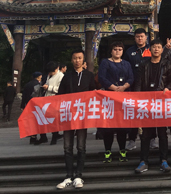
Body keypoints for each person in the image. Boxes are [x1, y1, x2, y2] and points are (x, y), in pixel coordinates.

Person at [56, 50, 97, 190]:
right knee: (67, 147)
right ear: (71, 60)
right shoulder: (66, 76)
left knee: (81, 146)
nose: (77, 60)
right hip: (68, 115)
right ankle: (68, 175)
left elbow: (93, 93)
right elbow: (60, 95)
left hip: (82, 116)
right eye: (74, 58)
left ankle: (78, 175)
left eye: (79, 58)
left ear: (83, 60)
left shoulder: (89, 75)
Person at [134, 39, 171, 174]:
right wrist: (138, 99)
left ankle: (164, 160)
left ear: (162, 50)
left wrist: (168, 88)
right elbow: (138, 83)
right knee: (146, 134)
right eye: (154, 47)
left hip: (161, 103)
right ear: (149, 49)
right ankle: (143, 161)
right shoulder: (143, 64)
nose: (156, 49)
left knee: (162, 133)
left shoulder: (167, 64)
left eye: (158, 47)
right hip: (147, 103)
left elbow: (170, 81)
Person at [98, 42, 134, 164]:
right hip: (109, 98)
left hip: (123, 98)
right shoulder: (105, 62)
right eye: (115, 49)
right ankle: (107, 151)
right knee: (108, 127)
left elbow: (131, 78)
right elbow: (102, 77)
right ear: (111, 51)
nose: (117, 51)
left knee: (122, 127)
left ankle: (122, 151)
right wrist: (114, 88)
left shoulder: (126, 64)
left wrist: (124, 87)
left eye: (120, 49)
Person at [125, 28, 151, 150]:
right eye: (137, 37)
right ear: (134, 38)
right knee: (134, 114)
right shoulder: (129, 51)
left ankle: (152, 139)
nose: (140, 38)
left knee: (150, 113)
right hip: (134, 87)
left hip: (149, 87)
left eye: (142, 36)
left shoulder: (151, 49)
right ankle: (132, 140)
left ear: (146, 37)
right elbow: (125, 68)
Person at [43, 61, 65, 145]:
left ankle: (54, 136)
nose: (50, 73)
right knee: (50, 118)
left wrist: (49, 87)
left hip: (55, 99)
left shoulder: (61, 76)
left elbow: (60, 89)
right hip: (48, 99)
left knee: (54, 119)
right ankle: (55, 134)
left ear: (57, 68)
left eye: (52, 71)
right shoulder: (49, 75)